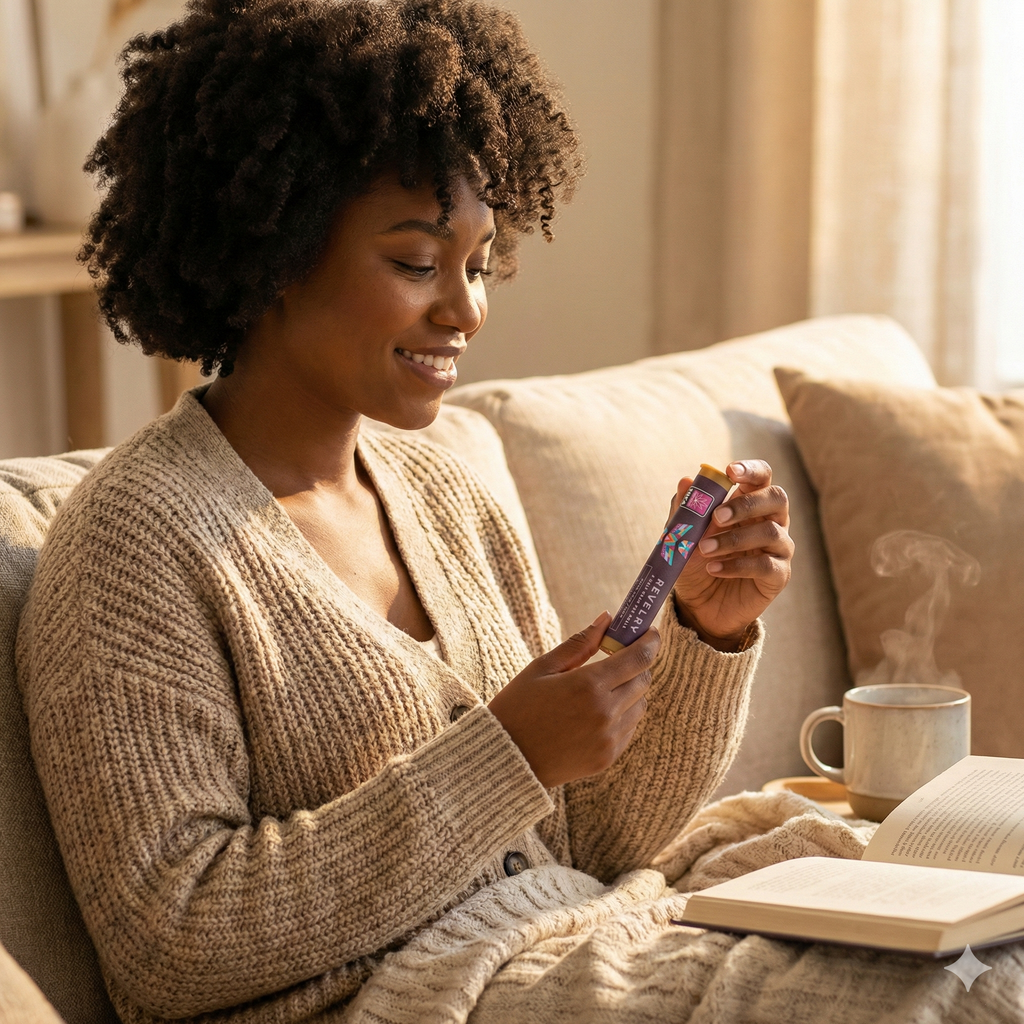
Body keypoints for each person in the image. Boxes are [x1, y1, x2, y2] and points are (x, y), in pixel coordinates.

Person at [17, 1, 796, 1021]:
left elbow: (585, 850)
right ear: (273, 247)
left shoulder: (443, 490)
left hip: (564, 954)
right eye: (418, 262)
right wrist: (504, 754)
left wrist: (704, 627)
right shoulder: (135, 546)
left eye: (478, 264)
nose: (466, 308)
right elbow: (174, 943)